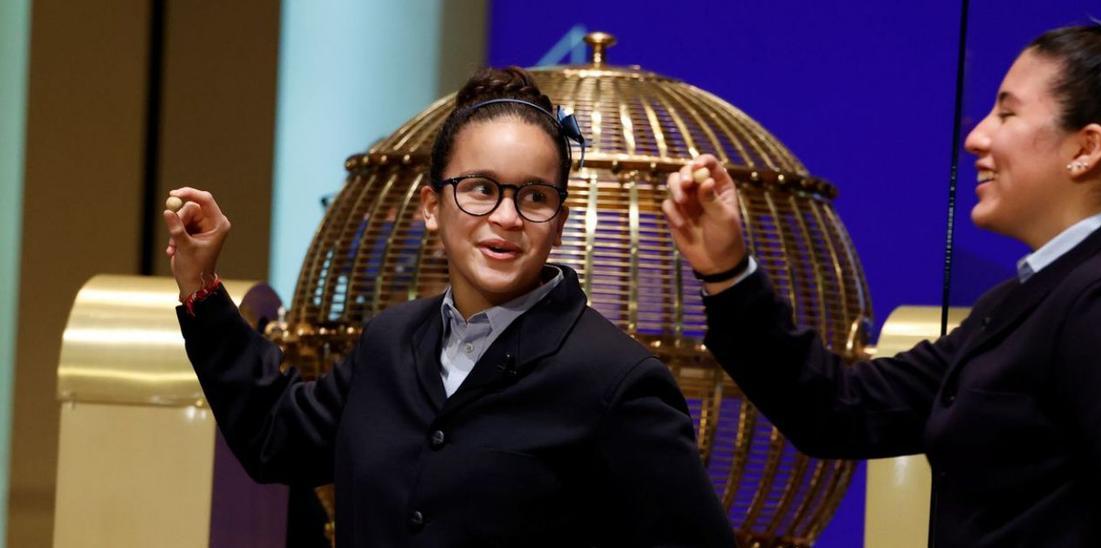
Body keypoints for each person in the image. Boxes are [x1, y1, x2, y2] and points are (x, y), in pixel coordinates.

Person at [663, 9, 1101, 547]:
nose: (976, 137)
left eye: (1007, 113)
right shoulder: (1037, 297)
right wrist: (728, 272)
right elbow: (841, 409)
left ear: (1086, 149)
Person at [165, 67, 735, 547]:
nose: (507, 218)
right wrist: (201, 288)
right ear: (432, 207)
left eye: (534, 196)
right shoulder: (389, 341)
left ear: (559, 223)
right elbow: (276, 437)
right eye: (481, 189)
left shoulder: (618, 382)